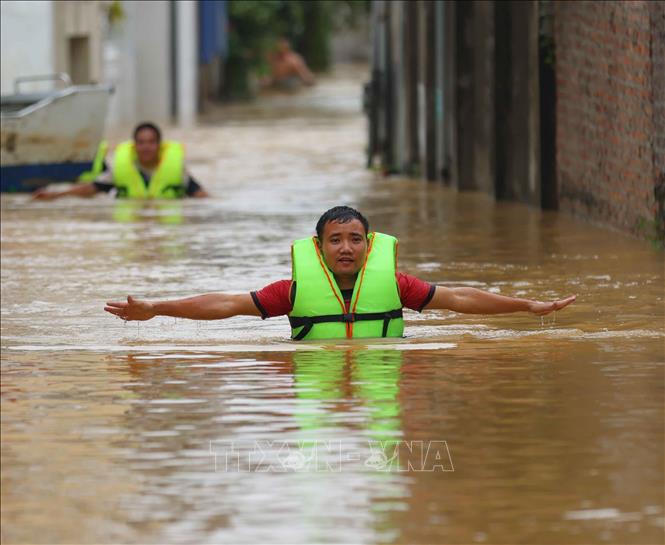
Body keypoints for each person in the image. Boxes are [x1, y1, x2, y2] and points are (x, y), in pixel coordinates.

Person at [104, 206, 576, 341]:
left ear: (370, 246)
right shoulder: (292, 290)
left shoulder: (396, 285)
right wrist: (156, 308)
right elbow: (227, 304)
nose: (346, 248)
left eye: (355, 240)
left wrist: (528, 306)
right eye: (336, 240)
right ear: (320, 247)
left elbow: (460, 299)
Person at [32, 122, 209, 200]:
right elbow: (91, 188)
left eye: (151, 142)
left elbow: (200, 195)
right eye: (141, 142)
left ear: (159, 145)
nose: (146, 147)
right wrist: (55, 195)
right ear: (134, 146)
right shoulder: (121, 170)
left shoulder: (176, 170)